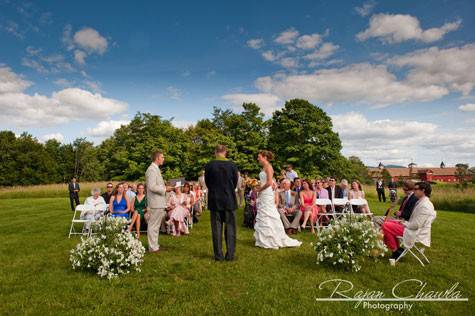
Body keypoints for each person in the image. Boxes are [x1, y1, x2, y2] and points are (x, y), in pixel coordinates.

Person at [254, 150, 302, 249]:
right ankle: (263, 238)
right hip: (264, 192)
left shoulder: (269, 167)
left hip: (266, 193)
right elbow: (268, 182)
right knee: (263, 214)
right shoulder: (263, 167)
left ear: (265, 157)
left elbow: (268, 183)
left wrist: (259, 189)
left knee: (268, 213)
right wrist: (257, 185)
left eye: (259, 157)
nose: (258, 158)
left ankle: (272, 238)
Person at [381, 182, 436, 259]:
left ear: (423, 191)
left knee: (385, 225)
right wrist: (401, 222)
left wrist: (404, 223)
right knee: (387, 223)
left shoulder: (425, 205)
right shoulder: (422, 202)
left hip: (414, 232)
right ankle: (396, 250)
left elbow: (416, 225)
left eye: (416, 189)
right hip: (412, 227)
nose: (414, 191)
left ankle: (395, 250)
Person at [205, 144, 239, 261]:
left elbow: (207, 182)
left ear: (215, 152)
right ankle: (230, 255)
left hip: (215, 200)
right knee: (230, 228)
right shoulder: (232, 165)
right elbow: (235, 183)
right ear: (225, 152)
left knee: (216, 229)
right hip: (229, 199)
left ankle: (218, 255)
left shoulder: (209, 165)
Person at [146, 150, 173, 253]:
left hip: (158, 202)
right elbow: (151, 186)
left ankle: (155, 245)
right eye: (162, 157)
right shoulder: (152, 170)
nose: (163, 159)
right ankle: (152, 247)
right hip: (155, 203)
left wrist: (165, 187)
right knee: (153, 225)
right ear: (157, 158)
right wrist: (165, 189)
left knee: (156, 226)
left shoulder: (155, 169)